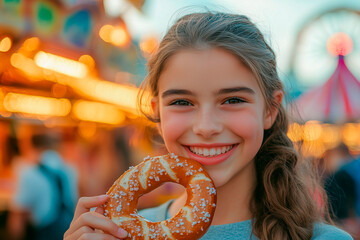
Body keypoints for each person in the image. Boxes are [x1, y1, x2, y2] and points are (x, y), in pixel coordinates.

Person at [64, 11, 353, 239]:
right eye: (181, 102)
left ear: (270, 109)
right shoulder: (121, 235)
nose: (206, 127)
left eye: (232, 100)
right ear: (158, 112)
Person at [8, 133, 78, 240]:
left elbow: (18, 217)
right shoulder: (70, 169)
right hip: (71, 229)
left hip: (44, 233)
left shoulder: (30, 173)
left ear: (31, 147)